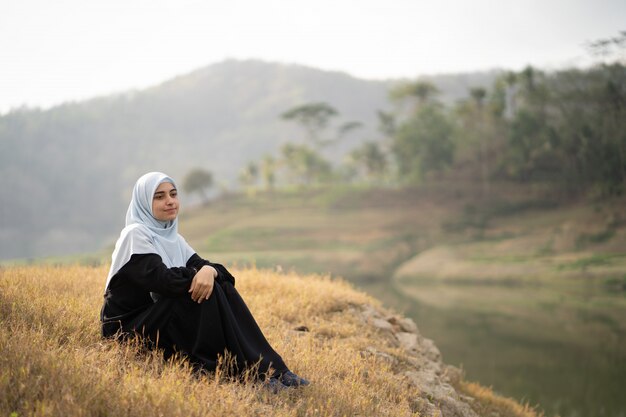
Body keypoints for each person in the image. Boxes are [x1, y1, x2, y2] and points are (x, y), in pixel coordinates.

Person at [100, 171, 309, 390]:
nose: (170, 201)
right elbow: (165, 282)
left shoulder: (174, 238)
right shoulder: (135, 234)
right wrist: (202, 273)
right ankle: (230, 372)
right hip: (128, 330)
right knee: (202, 290)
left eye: (173, 194)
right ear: (143, 202)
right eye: (159, 197)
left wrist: (209, 270)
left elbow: (224, 274)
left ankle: (270, 369)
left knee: (221, 286)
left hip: (158, 317)